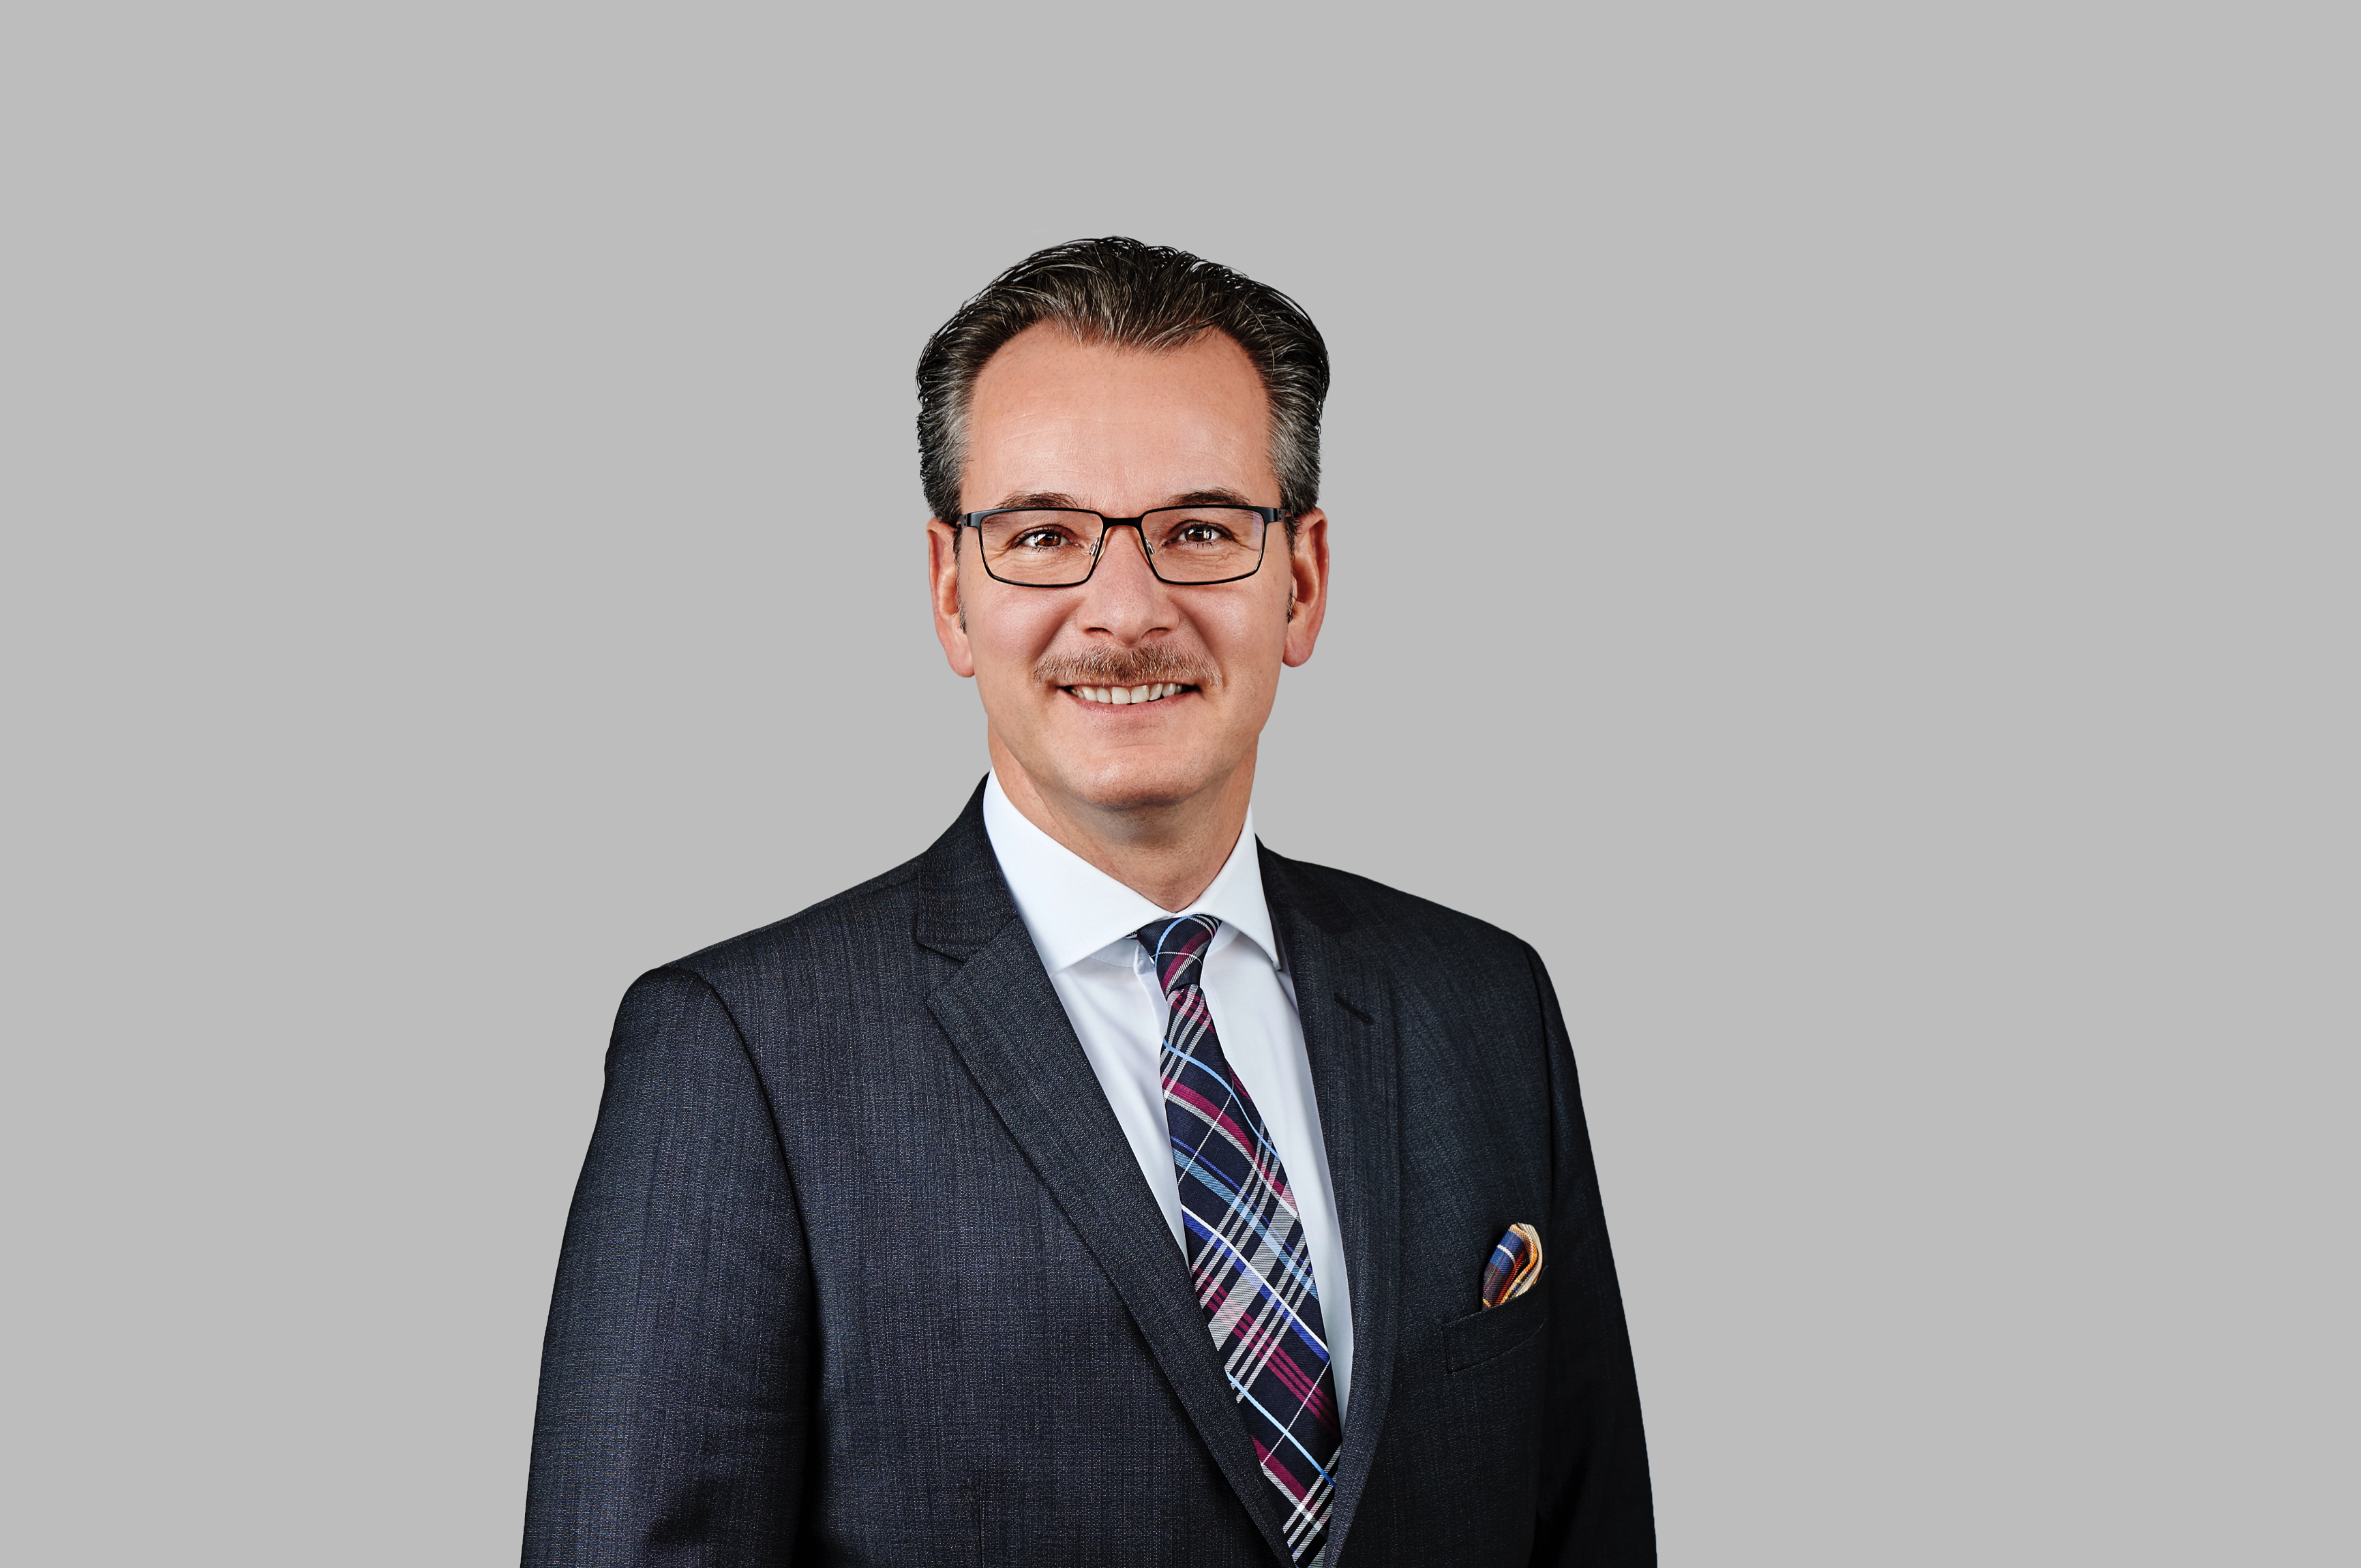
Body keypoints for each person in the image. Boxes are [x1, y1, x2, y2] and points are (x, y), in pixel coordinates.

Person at [522, 237, 1654, 1566]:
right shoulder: (740, 1058)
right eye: (1045, 537)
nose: (1124, 610)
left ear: (1302, 581)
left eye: (1200, 531)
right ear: (951, 593)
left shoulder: (1483, 1007)